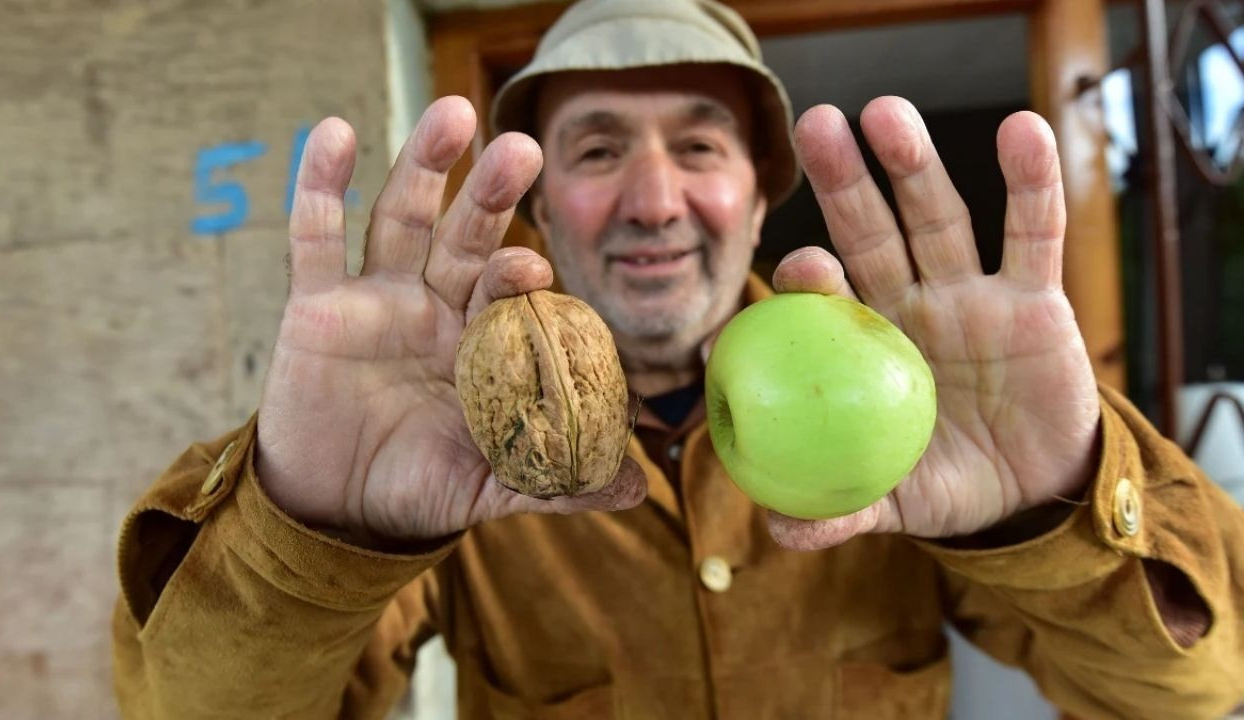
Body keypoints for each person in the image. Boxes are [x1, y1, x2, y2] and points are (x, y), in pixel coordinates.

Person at [111, 0, 1244, 717]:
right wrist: (308, 528)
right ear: (542, 206)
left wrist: (1053, 509)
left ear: (758, 197)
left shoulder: (921, 429)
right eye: (597, 148)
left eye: (698, 145)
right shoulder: (459, 441)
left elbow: (1197, 699)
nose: (653, 200)